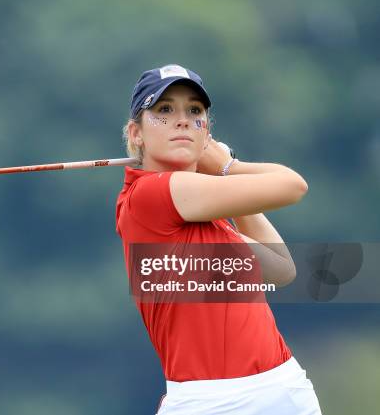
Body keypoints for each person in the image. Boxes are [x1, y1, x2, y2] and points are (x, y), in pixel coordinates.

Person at [115, 64, 323, 414]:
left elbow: (281, 268)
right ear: (137, 134)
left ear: (205, 131)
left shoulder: (208, 216)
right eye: (164, 110)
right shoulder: (152, 193)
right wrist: (228, 168)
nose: (182, 120)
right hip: (210, 401)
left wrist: (228, 184)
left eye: (194, 111)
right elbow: (293, 185)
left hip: (282, 386)